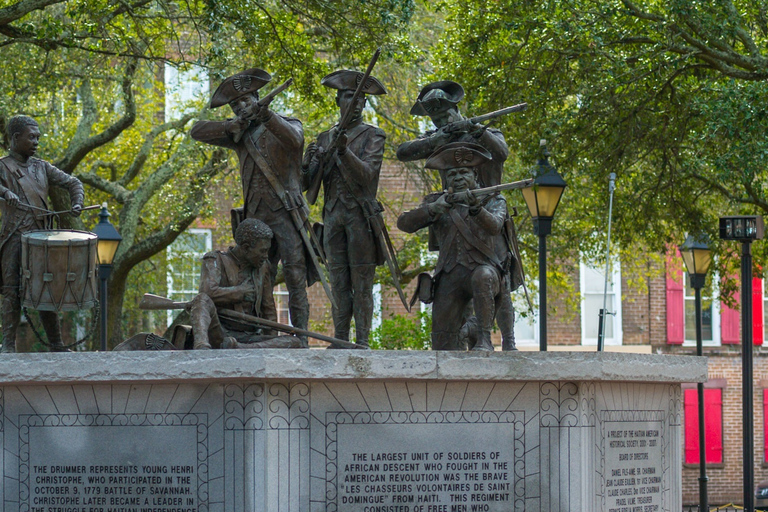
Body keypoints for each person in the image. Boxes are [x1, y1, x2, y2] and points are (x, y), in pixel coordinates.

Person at [190, 68, 311, 343]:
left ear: (258, 97)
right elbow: (196, 131)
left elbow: (295, 140)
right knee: (260, 277)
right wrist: (228, 126)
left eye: (245, 101)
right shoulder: (240, 134)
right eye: (235, 105)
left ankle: (301, 337)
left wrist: (266, 115)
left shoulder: (285, 123)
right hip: (257, 218)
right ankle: (267, 334)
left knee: (294, 273)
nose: (241, 107)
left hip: (287, 213)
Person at [396, 80, 518, 349]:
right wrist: (439, 137)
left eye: (444, 116)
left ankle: (503, 341)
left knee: (497, 278)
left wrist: (473, 128)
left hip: (486, 210)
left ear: (456, 109)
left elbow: (501, 152)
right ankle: (462, 335)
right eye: (435, 118)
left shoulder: (481, 131)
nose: (440, 121)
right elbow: (403, 152)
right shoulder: (438, 138)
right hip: (453, 215)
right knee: (456, 287)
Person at [302, 70, 387, 347]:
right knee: (338, 283)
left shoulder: (374, 136)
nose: (357, 104)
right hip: (333, 217)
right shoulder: (325, 137)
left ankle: (362, 340)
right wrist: (309, 162)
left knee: (362, 284)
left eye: (361, 100)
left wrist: (344, 151)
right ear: (339, 101)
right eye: (350, 98)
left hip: (361, 217)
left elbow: (367, 175)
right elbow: (308, 185)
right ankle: (340, 339)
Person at [0, 115, 84, 353]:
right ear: (15, 138)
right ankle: (8, 345)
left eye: (38, 137)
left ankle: (56, 344)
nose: (36, 142)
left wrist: (77, 203)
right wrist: (5, 192)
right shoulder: (3, 166)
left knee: (46, 288)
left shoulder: (42, 167)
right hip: (14, 236)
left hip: (41, 237)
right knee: (11, 290)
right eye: (31, 137)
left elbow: (74, 183)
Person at [186, 218, 302, 349]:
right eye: (262, 251)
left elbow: (268, 310)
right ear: (246, 248)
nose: (265, 256)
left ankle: (240, 348)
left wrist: (272, 342)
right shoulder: (215, 260)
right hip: (220, 333)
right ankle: (202, 347)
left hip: (249, 338)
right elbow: (207, 293)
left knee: (294, 342)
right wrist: (240, 292)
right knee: (201, 300)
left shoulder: (263, 268)